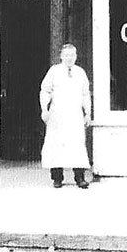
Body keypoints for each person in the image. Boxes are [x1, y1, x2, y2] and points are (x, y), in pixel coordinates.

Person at [40, 43, 92, 189]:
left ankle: (79, 177)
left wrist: (87, 113)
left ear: (76, 56)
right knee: (56, 144)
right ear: (61, 56)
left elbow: (85, 94)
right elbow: (45, 91)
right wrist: (44, 109)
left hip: (75, 114)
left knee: (77, 144)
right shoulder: (54, 71)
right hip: (57, 115)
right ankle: (57, 178)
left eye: (72, 55)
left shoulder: (80, 73)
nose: (69, 58)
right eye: (67, 55)